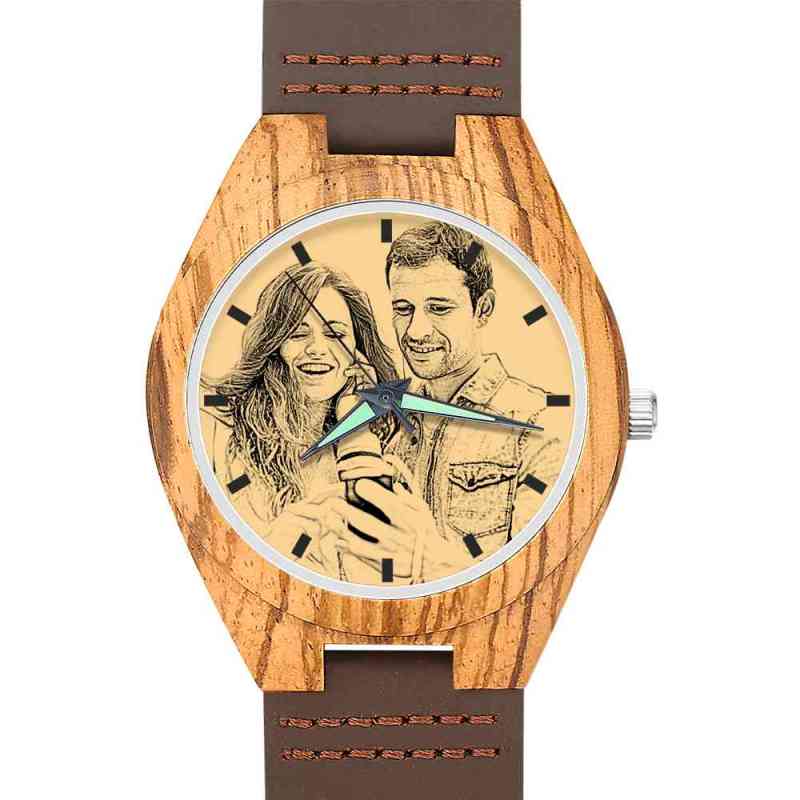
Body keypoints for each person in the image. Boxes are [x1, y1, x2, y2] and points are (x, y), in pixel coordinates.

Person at [337, 221, 564, 582]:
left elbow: (534, 576)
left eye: (439, 308)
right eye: (403, 309)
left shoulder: (536, 425)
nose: (416, 331)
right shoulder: (389, 421)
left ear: (483, 309)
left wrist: (424, 557)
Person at [202, 261, 397, 575]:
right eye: (297, 334)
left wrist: (354, 418)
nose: (317, 349)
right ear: (274, 344)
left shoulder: (379, 442)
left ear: (358, 350)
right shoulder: (219, 432)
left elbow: (382, 557)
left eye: (335, 334)